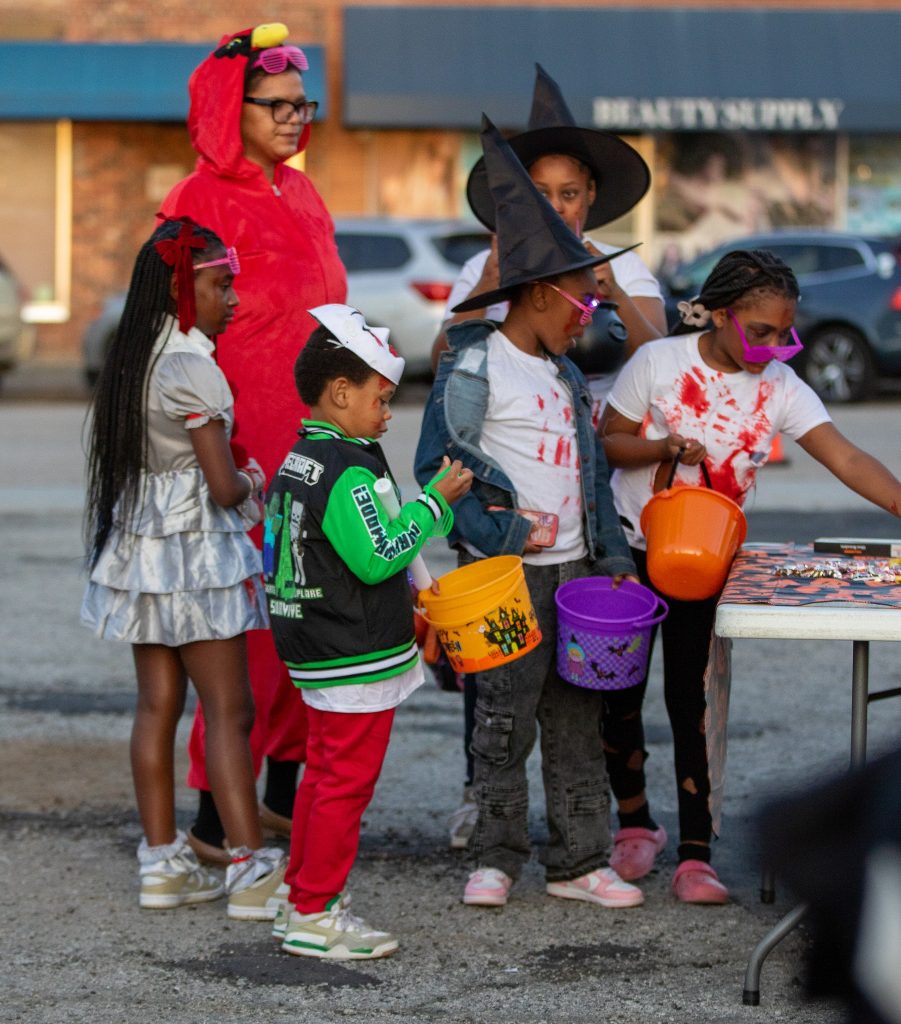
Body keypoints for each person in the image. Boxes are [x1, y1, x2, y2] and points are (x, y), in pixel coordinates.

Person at [598, 248, 901, 903]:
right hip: (630, 554)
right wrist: (661, 447)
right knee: (617, 697)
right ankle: (634, 822)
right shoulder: (658, 363)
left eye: (785, 334)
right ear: (718, 314)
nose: (774, 347)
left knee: (693, 702)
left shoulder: (780, 386)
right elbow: (609, 441)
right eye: (761, 332)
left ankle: (695, 855)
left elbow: (846, 457)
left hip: (706, 560)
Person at [415, 116, 645, 911]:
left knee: (577, 721)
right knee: (501, 722)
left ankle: (580, 861)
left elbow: (592, 479)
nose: (588, 317)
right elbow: (436, 471)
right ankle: (496, 857)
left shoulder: (566, 378)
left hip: (576, 578)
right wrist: (505, 534)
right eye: (582, 302)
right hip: (502, 579)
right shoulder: (474, 364)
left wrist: (612, 561)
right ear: (541, 293)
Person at [159, 23, 347, 861]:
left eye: (303, 105)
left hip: (319, 442)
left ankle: (279, 801)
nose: (295, 118)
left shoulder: (303, 193)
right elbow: (170, 333)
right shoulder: (194, 200)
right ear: (227, 109)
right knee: (251, 635)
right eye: (277, 105)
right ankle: (212, 819)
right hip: (241, 453)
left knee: (312, 615)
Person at [82, 218, 286, 917]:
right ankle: (251, 870)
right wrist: (256, 479)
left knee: (155, 707)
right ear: (181, 288)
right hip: (195, 553)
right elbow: (223, 487)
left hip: (142, 548)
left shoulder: (134, 361)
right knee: (230, 710)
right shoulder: (193, 367)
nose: (234, 298)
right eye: (221, 285)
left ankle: (162, 863)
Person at [262, 304, 472, 959]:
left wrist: (421, 588)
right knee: (344, 783)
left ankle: (300, 895)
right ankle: (315, 913)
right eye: (380, 399)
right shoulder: (347, 467)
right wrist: (434, 503)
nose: (387, 413)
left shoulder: (304, 456)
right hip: (351, 649)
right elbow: (378, 555)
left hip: (313, 642)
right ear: (340, 392)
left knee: (323, 775)